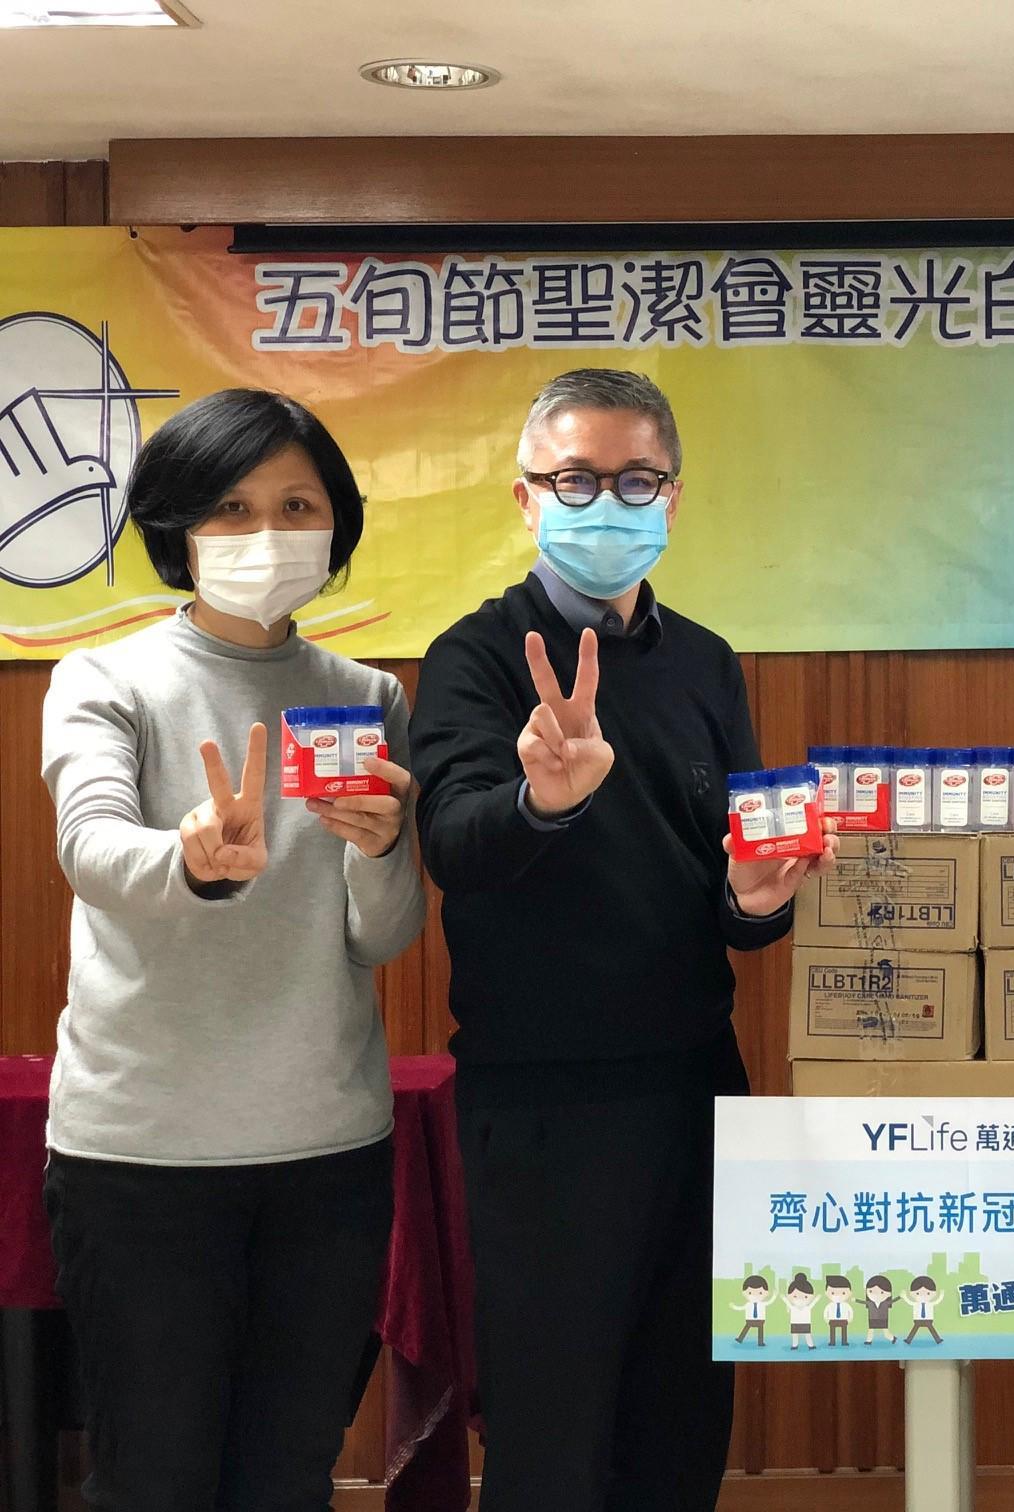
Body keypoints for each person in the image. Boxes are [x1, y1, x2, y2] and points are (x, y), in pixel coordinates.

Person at [410, 368, 833, 1511]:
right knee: (552, 1444)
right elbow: (452, 843)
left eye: (635, 480)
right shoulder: (478, 657)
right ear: (526, 496)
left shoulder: (705, 662)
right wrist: (542, 798)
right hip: (542, 1106)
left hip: (698, 1088)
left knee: (680, 1426)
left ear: (674, 498)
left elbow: (738, 898)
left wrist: (755, 899)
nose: (608, 502)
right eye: (577, 480)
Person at [38, 389, 426, 1509]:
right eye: (231, 507)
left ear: (337, 527)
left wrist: (380, 846)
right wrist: (194, 858)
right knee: (155, 1476)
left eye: (296, 505)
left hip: (328, 1156)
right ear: (178, 530)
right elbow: (93, 846)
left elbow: (385, 933)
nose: (266, 535)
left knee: (288, 1476)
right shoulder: (105, 682)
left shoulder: (366, 699)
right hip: (142, 1159)